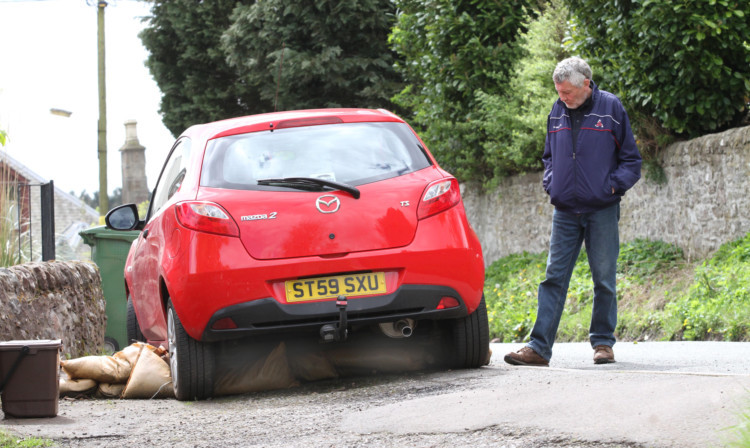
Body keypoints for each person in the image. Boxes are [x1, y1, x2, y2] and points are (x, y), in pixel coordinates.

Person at [504, 57, 642, 367]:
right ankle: (539, 348)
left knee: (604, 278)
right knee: (553, 278)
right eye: (559, 92)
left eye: (567, 92)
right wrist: (552, 183)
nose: (562, 98)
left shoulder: (611, 109)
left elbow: (631, 160)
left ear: (585, 84)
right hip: (565, 210)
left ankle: (603, 344)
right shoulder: (556, 111)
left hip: (602, 209)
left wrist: (611, 187)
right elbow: (549, 156)